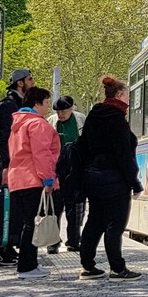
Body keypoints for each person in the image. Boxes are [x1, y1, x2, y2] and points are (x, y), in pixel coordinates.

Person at [76, 76, 143, 281]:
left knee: (95, 220)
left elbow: (82, 147)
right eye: (128, 95)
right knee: (115, 224)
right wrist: (135, 182)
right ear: (120, 95)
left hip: (92, 176)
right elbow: (123, 155)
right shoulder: (117, 119)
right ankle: (117, 268)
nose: (130, 99)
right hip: (114, 179)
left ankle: (87, 266)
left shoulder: (94, 116)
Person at [7, 87, 60, 280]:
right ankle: (27, 266)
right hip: (33, 179)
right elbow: (42, 154)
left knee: (28, 223)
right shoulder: (37, 124)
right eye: (46, 103)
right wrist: (48, 179)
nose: (48, 108)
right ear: (37, 104)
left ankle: (29, 264)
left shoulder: (18, 124)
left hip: (17, 179)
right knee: (33, 224)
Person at [0, 68, 35, 267]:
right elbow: (6, 137)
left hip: (10, 162)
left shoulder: (17, 104)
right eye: (30, 79)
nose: (33, 82)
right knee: (2, 204)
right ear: (20, 83)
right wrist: (6, 165)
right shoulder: (9, 107)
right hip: (5, 162)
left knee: (10, 205)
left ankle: (6, 246)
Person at [47, 95, 86, 253]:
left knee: (75, 209)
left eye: (63, 111)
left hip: (76, 170)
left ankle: (74, 241)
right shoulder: (51, 122)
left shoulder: (81, 119)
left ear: (71, 108)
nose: (60, 114)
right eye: (58, 111)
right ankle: (53, 242)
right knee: (55, 209)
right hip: (57, 170)